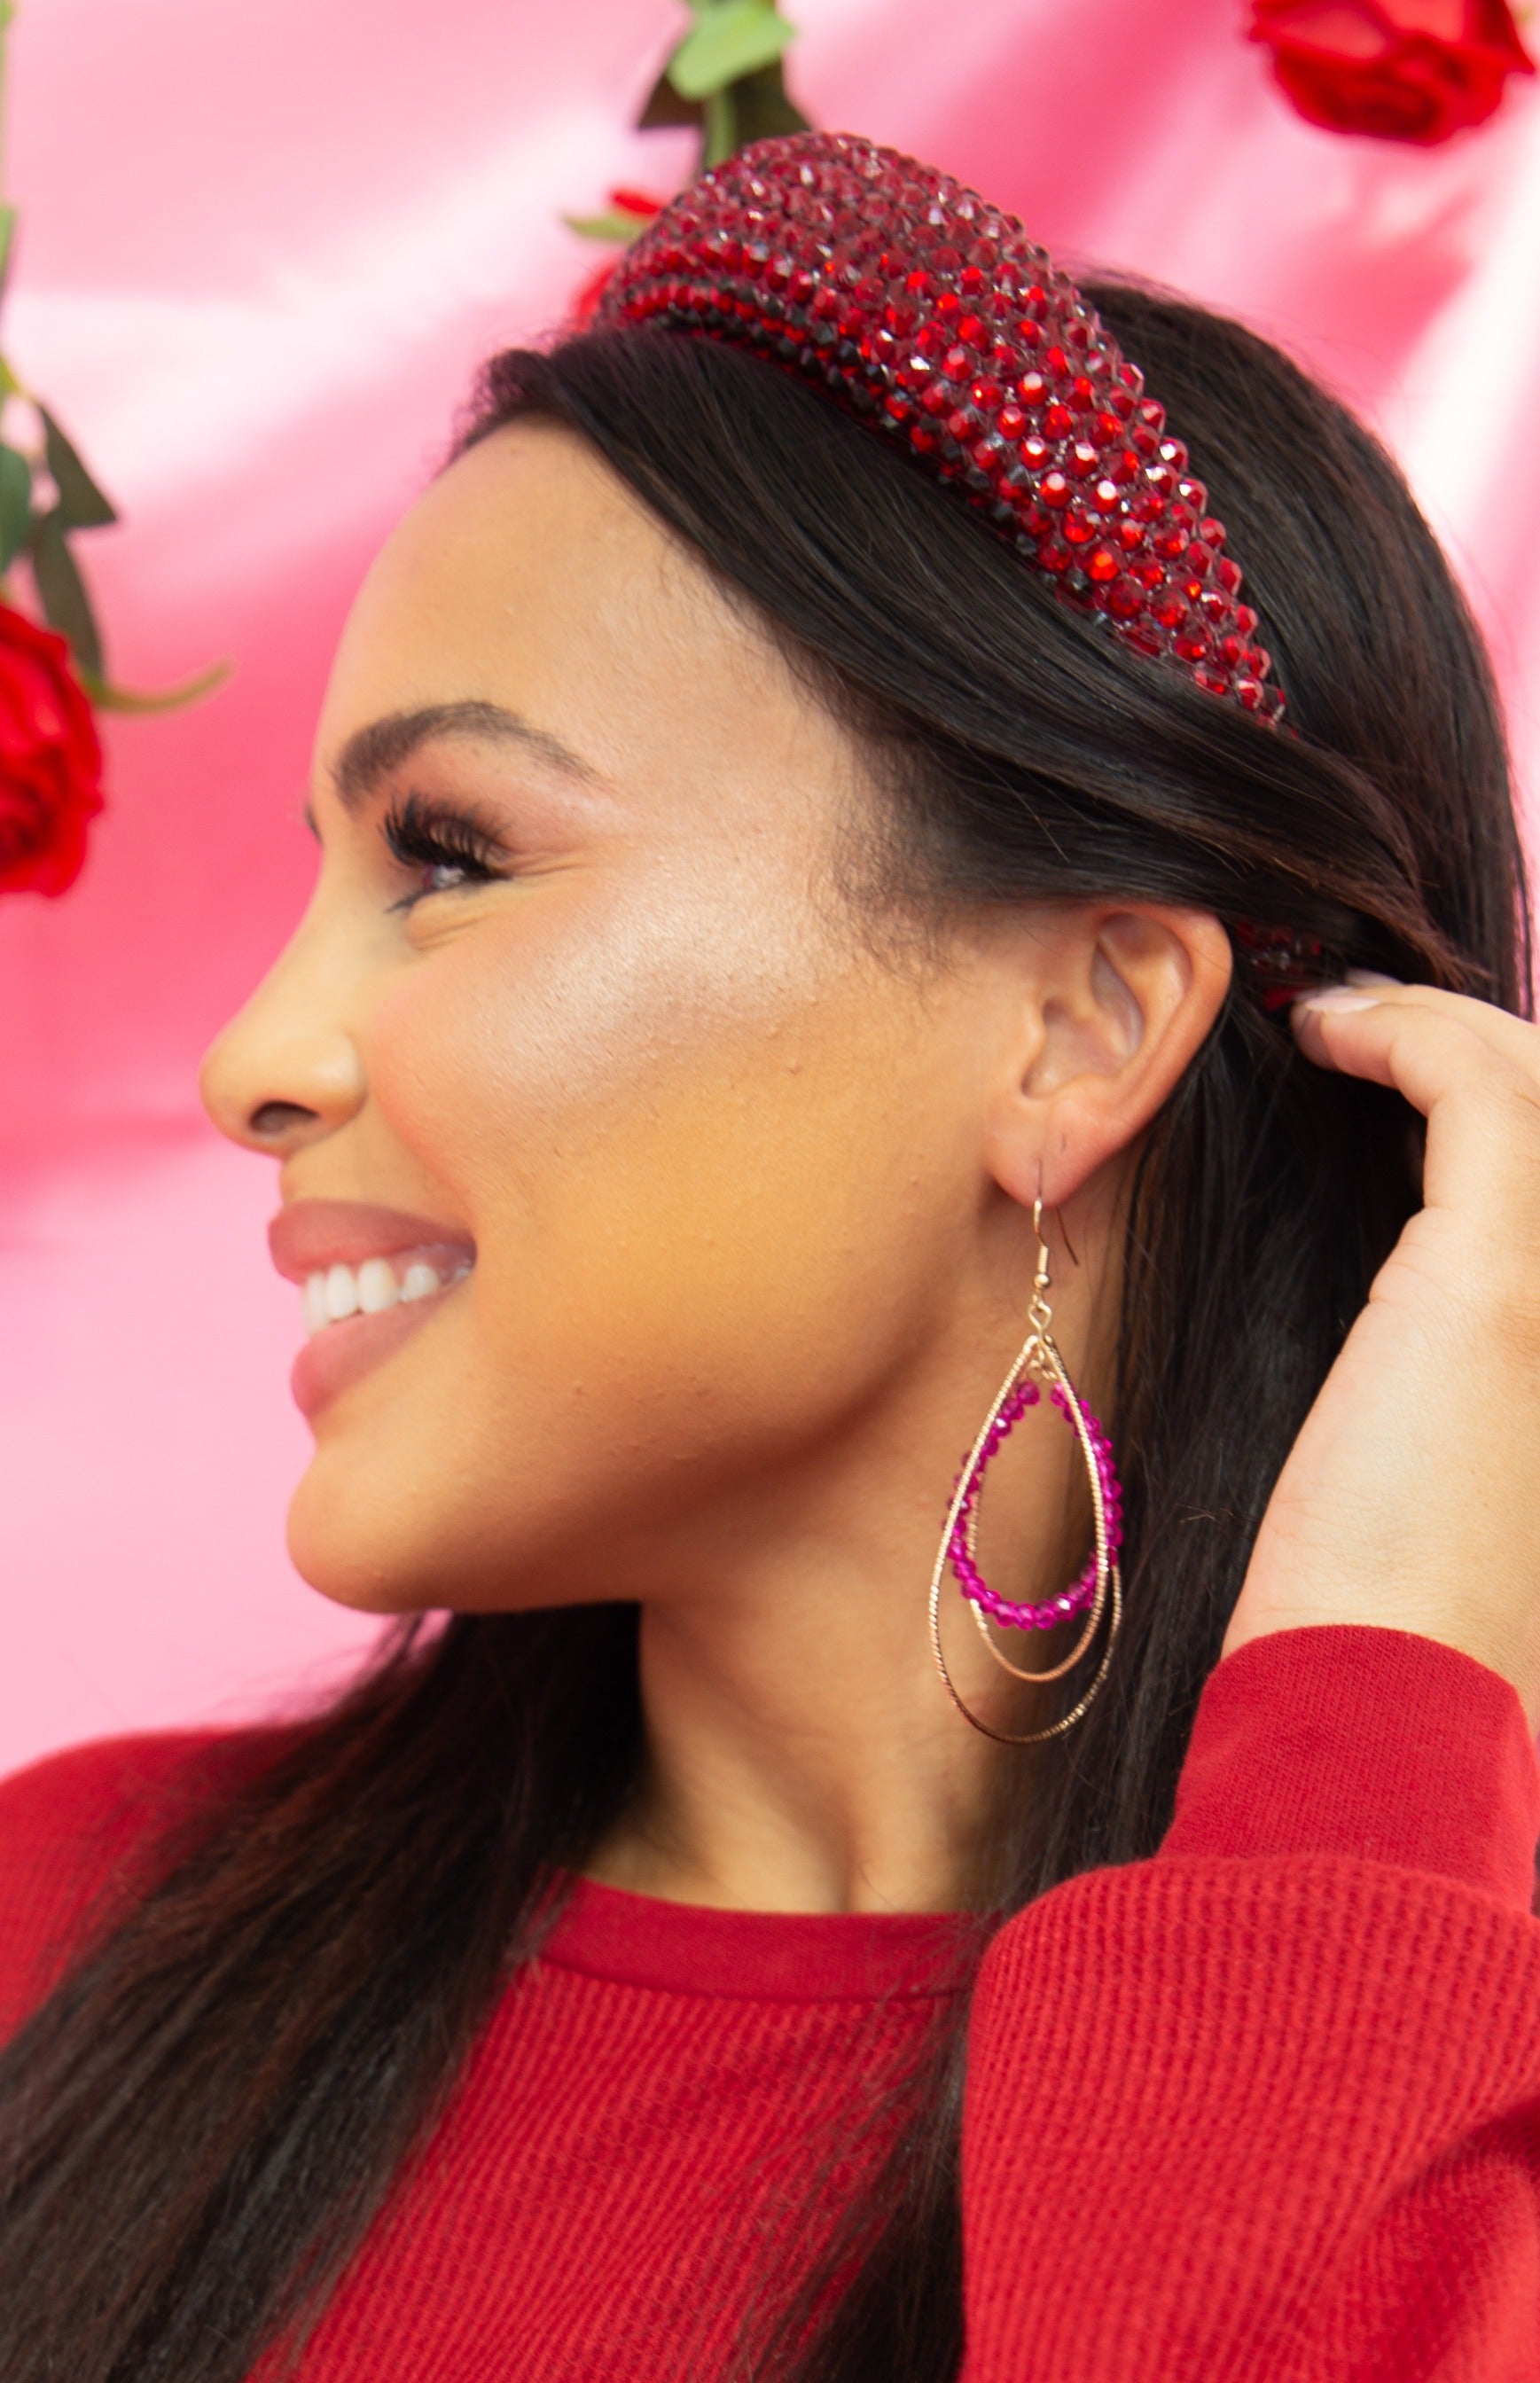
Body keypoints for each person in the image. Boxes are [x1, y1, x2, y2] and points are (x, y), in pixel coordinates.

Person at [2, 129, 1538, 2383]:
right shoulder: (61, 1948)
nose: (255, 1057)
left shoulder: (1453, 2113)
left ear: (1077, 1025)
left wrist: (1366, 1777)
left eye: (453, 854)